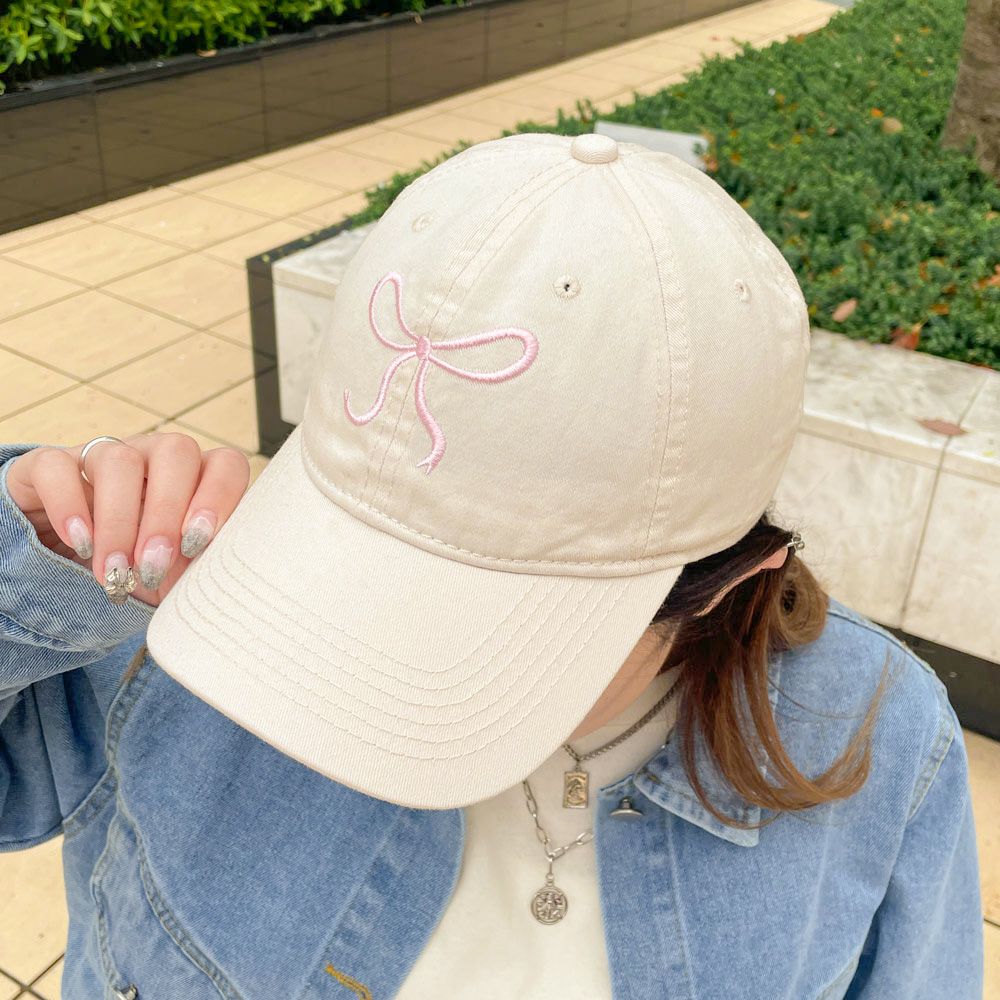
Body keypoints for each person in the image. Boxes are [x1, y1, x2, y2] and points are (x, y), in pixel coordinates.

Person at [0, 132, 983, 999]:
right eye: (352, 553)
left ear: (727, 583)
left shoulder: (882, 740)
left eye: (479, 614)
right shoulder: (175, 607)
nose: (362, 646)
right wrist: (26, 565)